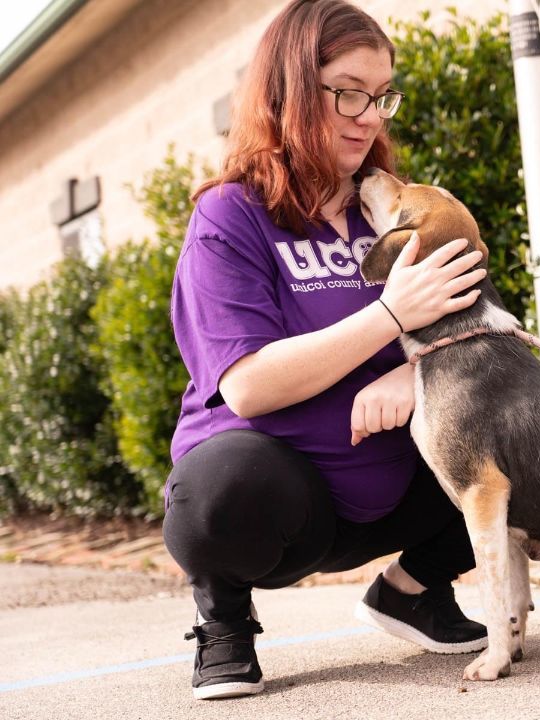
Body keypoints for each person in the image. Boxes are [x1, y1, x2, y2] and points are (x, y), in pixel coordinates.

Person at [163, 0, 489, 701]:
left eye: (380, 96)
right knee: (222, 491)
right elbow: (247, 385)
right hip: (286, 497)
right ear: (287, 92)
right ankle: (223, 620)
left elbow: (491, 334)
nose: (369, 116)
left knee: (519, 430)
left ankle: (413, 589)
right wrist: (389, 316)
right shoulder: (231, 214)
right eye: (347, 91)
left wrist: (416, 369)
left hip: (398, 479)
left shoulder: (394, 209)